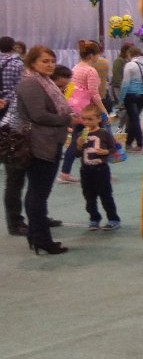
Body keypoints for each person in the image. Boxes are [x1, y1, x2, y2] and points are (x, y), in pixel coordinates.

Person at [15, 45, 81, 254]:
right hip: (40, 143)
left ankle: (36, 235)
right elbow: (39, 115)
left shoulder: (44, 81)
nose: (50, 65)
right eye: (45, 61)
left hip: (49, 141)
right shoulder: (31, 83)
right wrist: (66, 119)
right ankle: (42, 239)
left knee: (37, 191)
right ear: (32, 62)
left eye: (52, 61)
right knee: (39, 193)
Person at [59, 39, 110, 184]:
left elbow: (69, 89)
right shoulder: (90, 71)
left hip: (76, 111)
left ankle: (68, 172)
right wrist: (104, 111)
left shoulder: (75, 68)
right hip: (87, 114)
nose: (99, 57)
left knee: (79, 141)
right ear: (92, 55)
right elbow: (94, 94)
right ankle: (69, 172)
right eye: (98, 54)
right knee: (88, 140)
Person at [1, 36, 28, 235]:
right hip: (14, 118)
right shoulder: (17, 64)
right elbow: (20, 91)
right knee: (15, 177)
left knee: (13, 177)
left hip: (5, 117)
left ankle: (15, 221)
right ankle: (15, 222)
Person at [77, 104, 120, 230]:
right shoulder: (82, 134)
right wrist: (79, 145)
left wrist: (106, 152)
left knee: (106, 195)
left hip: (101, 169)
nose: (86, 122)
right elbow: (77, 154)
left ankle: (113, 219)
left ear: (98, 119)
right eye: (84, 119)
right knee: (89, 197)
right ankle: (94, 218)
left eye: (90, 119)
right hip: (86, 170)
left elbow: (113, 148)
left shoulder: (104, 133)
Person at [119, 45, 143, 151]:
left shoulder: (130, 65)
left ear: (129, 54)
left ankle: (140, 143)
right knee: (133, 119)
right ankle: (128, 143)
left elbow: (125, 84)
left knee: (134, 119)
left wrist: (121, 99)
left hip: (131, 95)